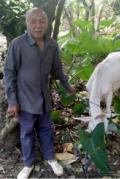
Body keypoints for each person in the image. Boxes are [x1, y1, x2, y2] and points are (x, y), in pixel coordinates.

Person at [3, 8, 75, 179]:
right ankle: (28, 164)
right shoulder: (18, 44)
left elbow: (57, 70)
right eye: (33, 21)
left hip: (44, 98)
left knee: (45, 129)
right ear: (26, 23)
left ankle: (50, 158)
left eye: (41, 21)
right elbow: (9, 73)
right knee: (26, 132)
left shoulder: (52, 45)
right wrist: (12, 101)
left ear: (47, 23)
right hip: (25, 99)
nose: (38, 25)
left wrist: (67, 85)